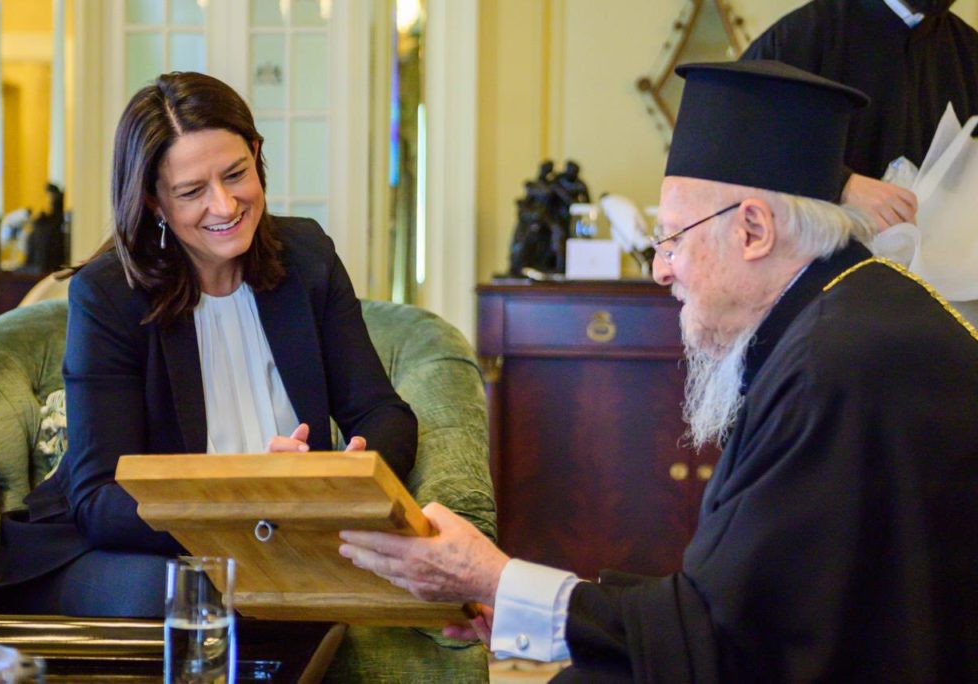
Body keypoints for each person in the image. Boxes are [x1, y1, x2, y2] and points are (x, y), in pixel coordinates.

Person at [338, 61, 978, 682]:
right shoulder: (845, 316)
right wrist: (514, 597)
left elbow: (723, 645)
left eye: (671, 239)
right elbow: (727, 606)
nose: (660, 269)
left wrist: (490, 576)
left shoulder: (832, 367)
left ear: (753, 229)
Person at [0, 72, 418, 617]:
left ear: (256, 154)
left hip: (284, 533)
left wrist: (339, 481)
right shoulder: (108, 294)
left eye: (236, 174)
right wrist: (245, 503)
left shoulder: (307, 257)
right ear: (154, 201)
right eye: (192, 191)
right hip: (123, 546)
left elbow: (384, 414)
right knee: (194, 590)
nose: (224, 206)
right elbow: (100, 499)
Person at [741, 0, 978, 230]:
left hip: (936, 263)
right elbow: (739, 148)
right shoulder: (799, 38)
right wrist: (842, 184)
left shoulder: (969, 50)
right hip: (822, 260)